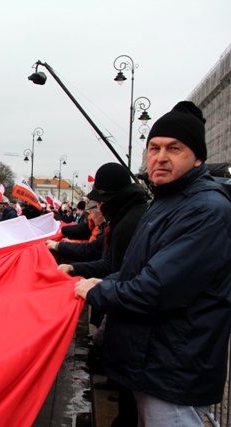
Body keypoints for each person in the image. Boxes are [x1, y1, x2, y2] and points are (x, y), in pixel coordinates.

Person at [75, 101, 231, 426]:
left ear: (197, 157)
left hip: (171, 370)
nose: (160, 157)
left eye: (174, 148)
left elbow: (156, 288)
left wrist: (97, 291)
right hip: (155, 363)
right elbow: (135, 272)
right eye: (154, 148)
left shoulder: (205, 210)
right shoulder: (167, 201)